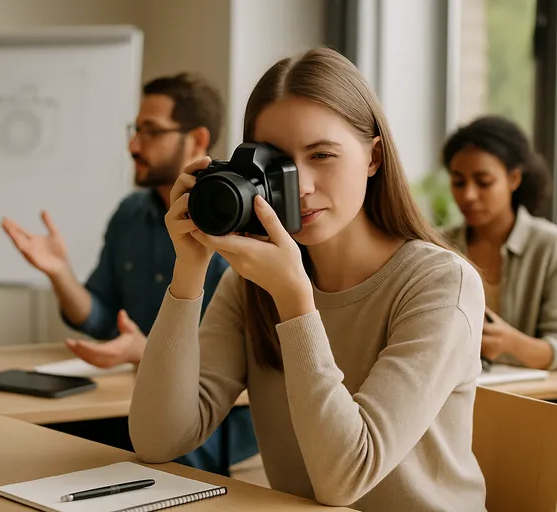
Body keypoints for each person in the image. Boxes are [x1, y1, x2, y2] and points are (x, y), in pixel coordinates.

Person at [128, 48, 487, 511]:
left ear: (374, 157)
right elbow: (159, 440)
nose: (300, 186)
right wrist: (189, 271)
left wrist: (296, 302)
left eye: (322, 154)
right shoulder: (252, 283)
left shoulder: (440, 283)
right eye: (278, 163)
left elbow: (346, 479)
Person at [2, 73, 258, 475]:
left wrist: (146, 351)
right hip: (132, 404)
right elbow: (101, 317)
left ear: (198, 140)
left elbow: (233, 360)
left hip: (215, 421)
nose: (134, 145)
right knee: (43, 453)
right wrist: (59, 273)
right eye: (135, 129)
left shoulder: (235, 227)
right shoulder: (129, 214)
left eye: (151, 132)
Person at [442, 115, 557, 370]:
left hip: (530, 402)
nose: (468, 195)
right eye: (458, 182)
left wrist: (510, 344)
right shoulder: (439, 246)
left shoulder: (550, 247)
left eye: (484, 182)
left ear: (514, 179)